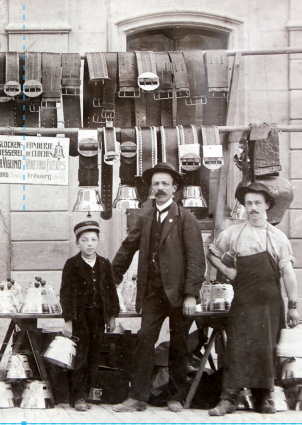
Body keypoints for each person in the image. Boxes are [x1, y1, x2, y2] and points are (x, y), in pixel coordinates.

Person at [111, 162, 206, 413]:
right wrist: (111, 281)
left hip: (179, 293)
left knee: (179, 344)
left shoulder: (186, 219)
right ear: (150, 189)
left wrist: (191, 295)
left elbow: (197, 260)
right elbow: (126, 250)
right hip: (153, 292)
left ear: (175, 188)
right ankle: (137, 397)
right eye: (156, 184)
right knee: (144, 339)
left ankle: (176, 397)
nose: (160, 188)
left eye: (165, 183)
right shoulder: (144, 218)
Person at [207, 182, 299, 416]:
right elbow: (212, 252)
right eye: (249, 203)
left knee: (266, 351)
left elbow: (288, 273)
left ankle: (262, 398)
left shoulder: (278, 238)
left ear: (267, 205)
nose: (253, 208)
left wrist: (293, 306)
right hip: (244, 302)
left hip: (270, 304)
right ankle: (228, 399)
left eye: (258, 203)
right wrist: (226, 270)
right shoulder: (233, 233)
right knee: (237, 348)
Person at [59, 220, 120, 411]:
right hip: (80, 319)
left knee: (94, 356)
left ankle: (90, 393)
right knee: (80, 356)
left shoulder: (104, 264)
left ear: (98, 241)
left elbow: (111, 291)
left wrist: (112, 316)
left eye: (93, 239)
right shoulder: (72, 264)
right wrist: (68, 321)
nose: (89, 244)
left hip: (98, 318)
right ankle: (78, 397)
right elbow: (66, 293)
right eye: (84, 240)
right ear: (77, 242)